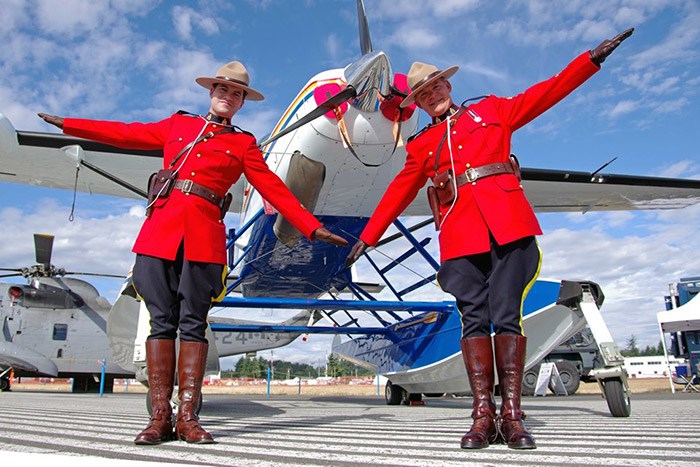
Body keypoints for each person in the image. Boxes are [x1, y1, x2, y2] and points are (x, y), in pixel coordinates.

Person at [345, 29, 633, 450]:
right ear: (418, 104)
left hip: (509, 228)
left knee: (506, 315)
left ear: (448, 85)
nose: (431, 96)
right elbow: (399, 191)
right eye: (423, 95)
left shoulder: (493, 111)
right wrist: (368, 236)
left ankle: (512, 418)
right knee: (473, 319)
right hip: (461, 239)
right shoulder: (422, 145)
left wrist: (590, 59)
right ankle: (482, 416)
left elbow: (548, 92)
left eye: (436, 87)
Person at [39, 60, 348, 445]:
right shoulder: (179, 125)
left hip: (205, 239)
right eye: (224, 89)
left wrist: (310, 226)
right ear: (211, 92)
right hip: (159, 235)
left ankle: (188, 417)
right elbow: (124, 133)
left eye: (237, 94)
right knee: (160, 321)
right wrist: (69, 124)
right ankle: (158, 417)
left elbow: (272, 186)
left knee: (193, 323)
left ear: (241, 103)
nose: (229, 97)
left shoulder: (243, 143)